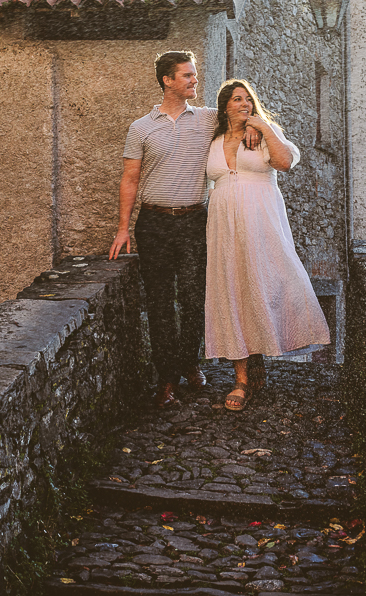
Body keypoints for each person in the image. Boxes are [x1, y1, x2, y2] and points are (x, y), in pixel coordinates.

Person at [108, 51, 257, 408]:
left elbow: (241, 115)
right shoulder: (141, 127)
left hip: (194, 221)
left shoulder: (207, 119)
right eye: (187, 76)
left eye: (194, 75)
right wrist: (122, 229)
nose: (194, 81)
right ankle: (166, 381)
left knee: (193, 299)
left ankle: (190, 363)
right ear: (167, 81)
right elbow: (130, 179)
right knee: (160, 304)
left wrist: (252, 127)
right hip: (154, 223)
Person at [204, 79, 330, 411]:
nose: (243, 103)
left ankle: (261, 350)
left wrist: (261, 125)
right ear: (224, 106)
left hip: (261, 222)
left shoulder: (262, 134)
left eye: (248, 99)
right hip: (223, 227)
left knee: (271, 282)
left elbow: (286, 162)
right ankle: (241, 378)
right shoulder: (214, 140)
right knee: (232, 290)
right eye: (236, 99)